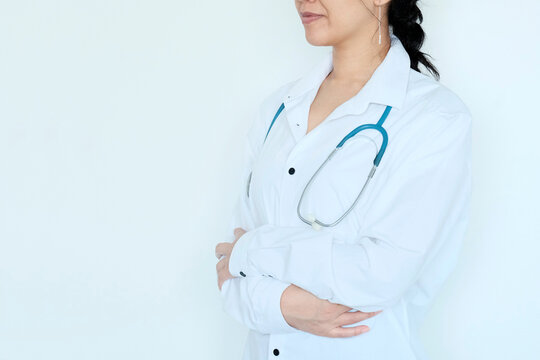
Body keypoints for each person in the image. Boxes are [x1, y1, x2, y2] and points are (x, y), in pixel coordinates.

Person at [215, 0, 472, 359]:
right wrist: (286, 306)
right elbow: (228, 272)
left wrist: (253, 251)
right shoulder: (277, 109)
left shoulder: (434, 119)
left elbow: (379, 275)